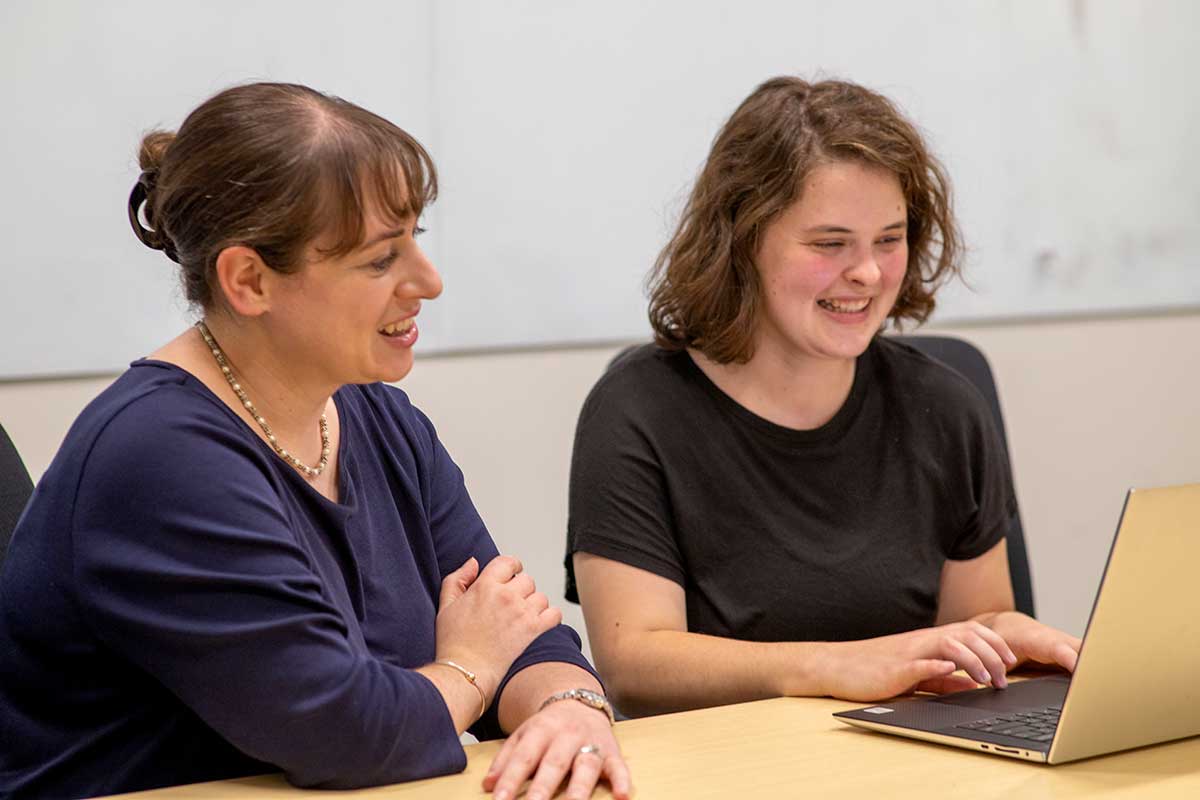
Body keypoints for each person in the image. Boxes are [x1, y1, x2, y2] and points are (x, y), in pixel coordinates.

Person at [0, 82, 629, 800]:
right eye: (379, 260)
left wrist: (570, 708)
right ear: (249, 280)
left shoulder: (381, 420)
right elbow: (348, 734)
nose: (428, 282)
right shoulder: (159, 456)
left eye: (414, 242)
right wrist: (470, 668)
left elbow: (519, 631)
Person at [566, 77, 1082, 718]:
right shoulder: (637, 410)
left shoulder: (946, 405)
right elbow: (635, 666)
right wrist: (839, 665)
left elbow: (972, 624)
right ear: (744, 242)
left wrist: (1002, 636)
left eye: (889, 240)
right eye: (830, 244)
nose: (867, 273)